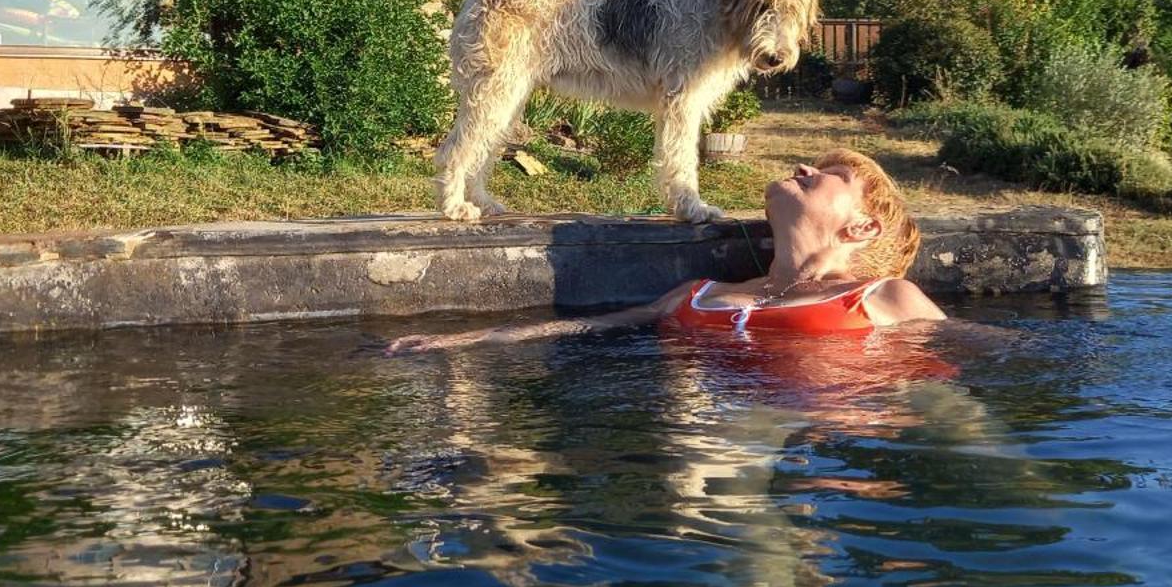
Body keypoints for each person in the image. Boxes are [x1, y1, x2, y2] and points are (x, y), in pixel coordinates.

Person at [387, 147, 944, 354]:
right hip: (714, 438)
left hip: (832, 432)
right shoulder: (699, 294)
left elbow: (959, 410)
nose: (805, 168)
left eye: (831, 176)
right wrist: (455, 340)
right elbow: (588, 328)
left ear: (863, 229)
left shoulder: (885, 298)